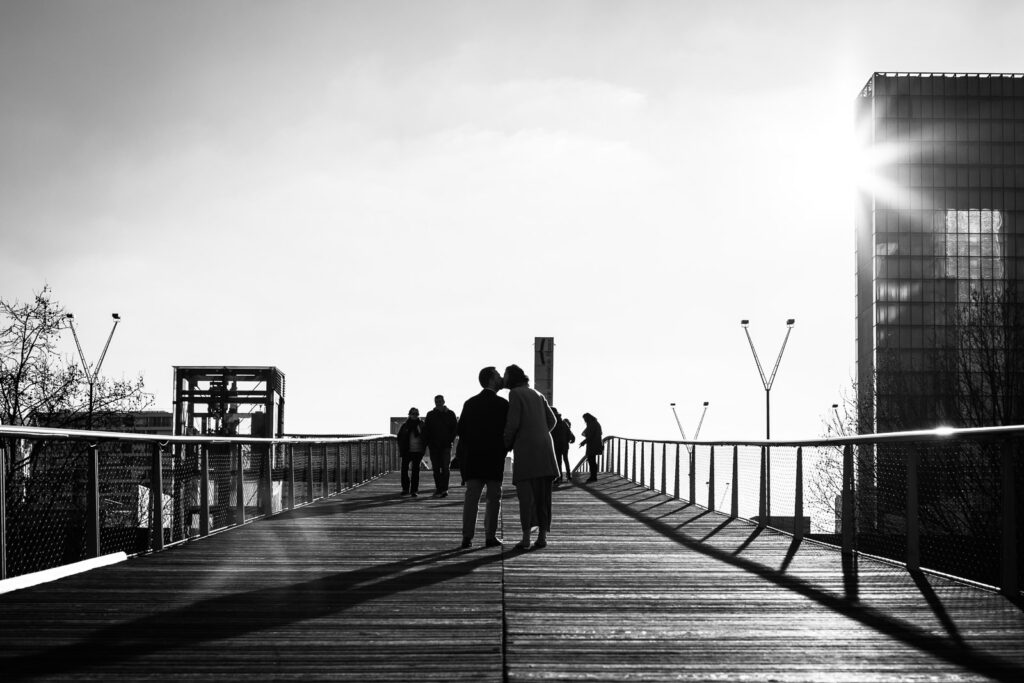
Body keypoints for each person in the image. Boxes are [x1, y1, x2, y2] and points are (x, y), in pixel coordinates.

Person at [502, 364, 558, 550]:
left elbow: (513, 422)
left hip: (527, 452)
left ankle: (526, 538)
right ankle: (542, 536)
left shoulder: (515, 394)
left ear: (512, 377)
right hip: (545, 450)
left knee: (526, 497)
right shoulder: (537, 393)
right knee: (543, 497)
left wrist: (506, 444)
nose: (503, 377)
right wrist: (540, 432)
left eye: (505, 374)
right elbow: (553, 420)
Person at [456, 366, 509, 549]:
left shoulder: (470, 403)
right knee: (493, 499)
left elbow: (461, 431)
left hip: (474, 459)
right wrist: (504, 449)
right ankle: (490, 536)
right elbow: (509, 431)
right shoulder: (503, 405)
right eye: (498, 375)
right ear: (491, 379)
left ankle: (467, 537)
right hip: (494, 459)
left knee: (472, 499)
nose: (501, 378)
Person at [423, 394, 458, 497]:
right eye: (436, 401)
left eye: (440, 401)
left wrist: (450, 440)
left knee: (446, 468)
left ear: (444, 401)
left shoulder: (451, 414)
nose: (438, 403)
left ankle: (445, 489)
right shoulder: (430, 415)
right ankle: (439, 488)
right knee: (436, 469)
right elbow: (426, 430)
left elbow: (455, 429)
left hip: (446, 446)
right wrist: (429, 442)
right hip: (434, 446)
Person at [396, 407, 426, 497]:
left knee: (415, 471)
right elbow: (399, 437)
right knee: (404, 470)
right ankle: (405, 489)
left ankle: (414, 490)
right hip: (407, 451)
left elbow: (426, 436)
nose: (414, 415)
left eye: (416, 414)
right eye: (413, 414)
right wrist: (402, 448)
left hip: (418, 451)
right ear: (409, 414)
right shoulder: (405, 425)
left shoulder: (422, 425)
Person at [550, 408, 576, 485]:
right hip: (564, 445)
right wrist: (570, 440)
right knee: (566, 460)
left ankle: (559, 477)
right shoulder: (564, 423)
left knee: (558, 461)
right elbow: (570, 434)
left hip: (557, 445)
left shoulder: (552, 422)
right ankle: (569, 475)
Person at [579, 412, 603, 483]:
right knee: (592, 460)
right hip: (596, 444)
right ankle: (593, 476)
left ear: (588, 418)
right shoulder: (595, 423)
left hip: (593, 445)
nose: (584, 420)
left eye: (585, 419)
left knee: (591, 460)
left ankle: (593, 476)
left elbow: (590, 435)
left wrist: (583, 442)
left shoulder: (592, 424)